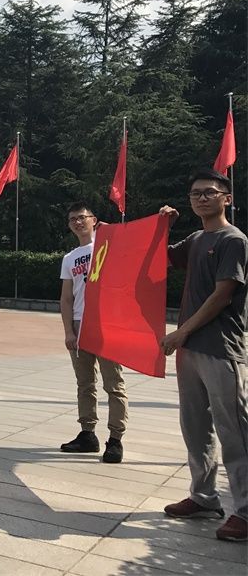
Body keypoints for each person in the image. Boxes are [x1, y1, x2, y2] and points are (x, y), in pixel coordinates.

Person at [159, 169, 248, 542]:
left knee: (234, 430)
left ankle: (244, 511)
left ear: (226, 198)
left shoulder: (233, 240)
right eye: (195, 194)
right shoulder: (196, 239)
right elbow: (160, 258)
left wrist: (181, 332)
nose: (201, 198)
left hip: (220, 347)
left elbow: (222, 295)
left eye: (209, 192)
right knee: (195, 426)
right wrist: (162, 226)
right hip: (190, 350)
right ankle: (203, 496)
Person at [57, 203, 128, 463]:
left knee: (114, 384)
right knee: (85, 383)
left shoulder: (108, 247)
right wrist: (68, 331)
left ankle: (116, 439)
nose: (78, 222)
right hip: (79, 324)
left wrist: (115, 234)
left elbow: (133, 252)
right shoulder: (70, 258)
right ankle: (87, 434)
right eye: (73, 219)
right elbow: (66, 298)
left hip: (106, 324)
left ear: (93, 220)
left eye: (82, 217)